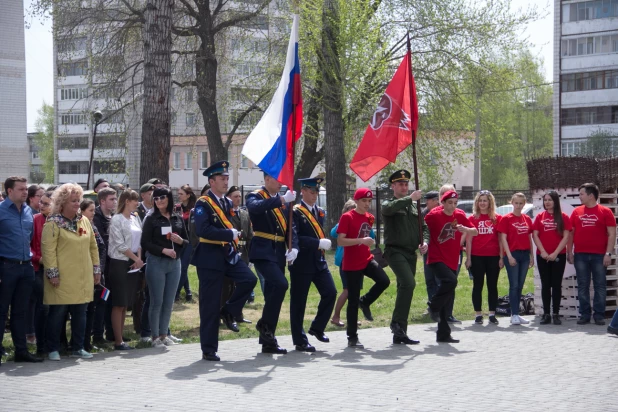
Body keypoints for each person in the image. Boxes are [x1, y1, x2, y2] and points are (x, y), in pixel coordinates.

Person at [192, 161, 257, 361]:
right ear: (211, 181)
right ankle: (209, 349)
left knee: (249, 280)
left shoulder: (227, 203)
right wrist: (228, 234)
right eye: (222, 178)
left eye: (227, 178)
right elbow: (202, 230)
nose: (225, 181)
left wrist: (234, 238)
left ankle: (229, 311)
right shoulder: (203, 203)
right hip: (210, 257)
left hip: (228, 255)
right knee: (209, 305)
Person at [42, 183, 101, 361]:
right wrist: (53, 273)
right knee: (58, 313)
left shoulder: (84, 221)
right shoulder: (53, 223)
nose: (77, 204)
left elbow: (93, 246)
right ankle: (53, 348)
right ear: (62, 202)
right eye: (73, 201)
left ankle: (78, 347)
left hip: (83, 277)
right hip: (62, 277)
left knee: (80, 312)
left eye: (78, 200)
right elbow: (48, 250)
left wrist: (96, 270)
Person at [246, 171, 298, 354]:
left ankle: (268, 339)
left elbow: (290, 226)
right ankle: (263, 325)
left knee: (272, 294)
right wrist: (282, 199)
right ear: (267, 179)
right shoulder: (254, 196)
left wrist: (294, 247)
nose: (280, 183)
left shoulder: (283, 200)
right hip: (262, 250)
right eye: (277, 179)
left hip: (278, 252)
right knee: (281, 285)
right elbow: (256, 208)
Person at [337, 188, 390, 349]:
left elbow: (368, 238)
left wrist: (368, 242)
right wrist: (361, 240)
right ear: (357, 201)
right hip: (351, 263)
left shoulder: (370, 218)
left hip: (366, 259)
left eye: (369, 201)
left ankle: (365, 301)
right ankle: (352, 336)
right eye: (364, 201)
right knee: (352, 301)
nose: (367, 204)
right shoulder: (347, 217)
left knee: (384, 280)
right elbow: (340, 241)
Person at [289, 177, 336, 352]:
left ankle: (317, 327)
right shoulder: (295, 211)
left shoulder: (319, 212)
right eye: (311, 191)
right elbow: (295, 237)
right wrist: (317, 242)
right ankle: (299, 339)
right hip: (301, 262)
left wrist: (321, 245)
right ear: (302, 191)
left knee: (330, 292)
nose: (314, 194)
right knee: (299, 302)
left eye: (316, 191)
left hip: (318, 261)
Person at [381, 170, 428, 345]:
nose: (404, 187)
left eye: (406, 184)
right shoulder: (391, 203)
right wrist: (410, 198)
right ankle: (396, 323)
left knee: (405, 288)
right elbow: (387, 209)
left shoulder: (414, 207)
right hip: (395, 251)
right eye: (400, 184)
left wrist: (425, 243)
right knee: (409, 283)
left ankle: (400, 331)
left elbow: (424, 228)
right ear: (393, 186)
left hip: (410, 253)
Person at [425, 190, 477, 343]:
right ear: (442, 203)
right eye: (449, 203)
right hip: (436, 258)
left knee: (446, 296)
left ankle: (443, 334)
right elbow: (421, 228)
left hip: (452, 259)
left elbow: (475, 231)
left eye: (455, 203)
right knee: (451, 281)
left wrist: (465, 229)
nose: (453, 206)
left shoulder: (459, 215)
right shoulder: (434, 215)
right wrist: (424, 243)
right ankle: (432, 306)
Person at [0, 176, 42, 364]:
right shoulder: (1, 212)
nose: (25, 192)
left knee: (20, 312)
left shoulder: (28, 212)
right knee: (1, 312)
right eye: (21, 189)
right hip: (6, 267)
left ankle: (21, 351)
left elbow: (30, 238)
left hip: (25, 268)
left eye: (26, 189)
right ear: (9, 191)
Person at [141, 186, 188, 348]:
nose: (159, 201)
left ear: (169, 199)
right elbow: (145, 243)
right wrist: (164, 250)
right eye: (156, 198)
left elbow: (187, 241)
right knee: (157, 301)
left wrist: (180, 241)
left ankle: (164, 334)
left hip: (175, 264)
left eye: (162, 198)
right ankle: (154, 337)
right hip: (156, 263)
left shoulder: (177, 217)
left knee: (168, 302)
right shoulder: (151, 218)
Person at [568, 183, 617, 325]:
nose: (579, 197)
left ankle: (599, 315)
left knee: (600, 285)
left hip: (599, 255)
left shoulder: (605, 212)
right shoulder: (576, 211)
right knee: (582, 284)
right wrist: (569, 252)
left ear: (590, 195)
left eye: (582, 194)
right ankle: (585, 314)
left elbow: (612, 234)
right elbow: (571, 234)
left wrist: (608, 253)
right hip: (580, 255)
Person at [108, 189, 144, 350]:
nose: (137, 203)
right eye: (134, 200)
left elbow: (140, 240)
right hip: (119, 262)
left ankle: (121, 337)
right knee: (119, 302)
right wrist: (135, 258)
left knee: (126, 303)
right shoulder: (117, 219)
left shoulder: (135, 218)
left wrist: (139, 258)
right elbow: (119, 244)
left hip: (134, 262)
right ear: (126, 201)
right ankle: (117, 340)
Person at [330, 199, 373, 327]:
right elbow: (333, 233)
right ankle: (336, 316)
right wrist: (345, 225)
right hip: (346, 262)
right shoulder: (344, 221)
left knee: (355, 291)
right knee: (348, 290)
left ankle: (351, 319)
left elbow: (372, 234)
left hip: (359, 260)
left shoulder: (363, 220)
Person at [532, 191, 571, 325]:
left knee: (556, 285)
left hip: (558, 256)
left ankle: (556, 314)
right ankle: (546, 314)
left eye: (550, 200)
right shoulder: (539, 217)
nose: (547, 202)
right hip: (542, 256)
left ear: (555, 201)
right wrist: (543, 251)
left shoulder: (563, 217)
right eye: (545, 200)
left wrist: (555, 253)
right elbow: (535, 235)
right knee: (545, 285)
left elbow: (566, 237)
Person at [465, 190, 503, 325]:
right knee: (478, 285)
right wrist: (468, 258)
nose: (482, 203)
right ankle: (478, 314)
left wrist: (501, 257)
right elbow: (468, 241)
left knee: (492, 286)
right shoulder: (472, 219)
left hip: (493, 256)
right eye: (480, 200)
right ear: (477, 202)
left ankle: (492, 313)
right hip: (477, 256)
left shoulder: (497, 218)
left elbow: (500, 240)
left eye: (485, 200)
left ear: (490, 202)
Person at [497, 192, 534, 326]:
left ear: (524, 204)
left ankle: (516, 313)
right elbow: (503, 239)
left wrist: (531, 256)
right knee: (514, 285)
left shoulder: (527, 219)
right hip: (512, 254)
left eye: (521, 203)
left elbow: (529, 238)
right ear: (512, 203)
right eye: (516, 203)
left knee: (520, 285)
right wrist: (508, 256)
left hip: (524, 255)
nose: (518, 206)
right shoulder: (506, 218)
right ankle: (514, 314)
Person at [80, 199, 107, 352]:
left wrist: (99, 269)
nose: (93, 213)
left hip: (96, 273)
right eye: (90, 210)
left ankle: (89, 340)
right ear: (82, 211)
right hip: (83, 273)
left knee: (94, 307)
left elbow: (101, 247)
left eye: (93, 211)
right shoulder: (80, 225)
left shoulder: (93, 226)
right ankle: (80, 342)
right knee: (84, 309)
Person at [225, 185, 254, 323]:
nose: (238, 199)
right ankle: (227, 315)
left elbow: (249, 236)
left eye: (239, 196)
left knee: (243, 285)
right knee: (228, 286)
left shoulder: (244, 213)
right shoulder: (225, 213)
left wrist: (250, 257)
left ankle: (238, 315)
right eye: (235, 196)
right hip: (230, 251)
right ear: (229, 198)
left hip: (243, 252)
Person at [29, 190, 53, 354]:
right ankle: (41, 346)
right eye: (40, 202)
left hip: (57, 268)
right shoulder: (35, 219)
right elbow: (27, 245)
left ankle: (55, 343)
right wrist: (38, 258)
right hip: (38, 268)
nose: (41, 206)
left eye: (45, 203)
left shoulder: (60, 221)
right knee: (43, 307)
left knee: (57, 308)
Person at [92, 187, 118, 343]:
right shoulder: (95, 217)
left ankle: (111, 332)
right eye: (111, 199)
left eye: (115, 199)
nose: (115, 202)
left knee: (111, 299)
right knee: (101, 300)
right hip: (102, 266)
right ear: (102, 201)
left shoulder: (114, 216)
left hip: (114, 265)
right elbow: (102, 243)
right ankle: (97, 334)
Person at [175, 184, 196, 302]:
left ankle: (176, 293)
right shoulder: (177, 208)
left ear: (188, 195)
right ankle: (188, 292)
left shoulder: (194, 209)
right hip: (179, 241)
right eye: (178, 194)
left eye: (181, 194)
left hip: (190, 242)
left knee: (183, 267)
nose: (179, 196)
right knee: (181, 267)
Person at [422, 191, 440, 315]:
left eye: (428, 199)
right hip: (427, 250)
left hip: (439, 251)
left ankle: (440, 306)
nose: (426, 202)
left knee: (439, 279)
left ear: (435, 200)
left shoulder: (442, 212)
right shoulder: (423, 213)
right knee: (429, 279)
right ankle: (431, 305)